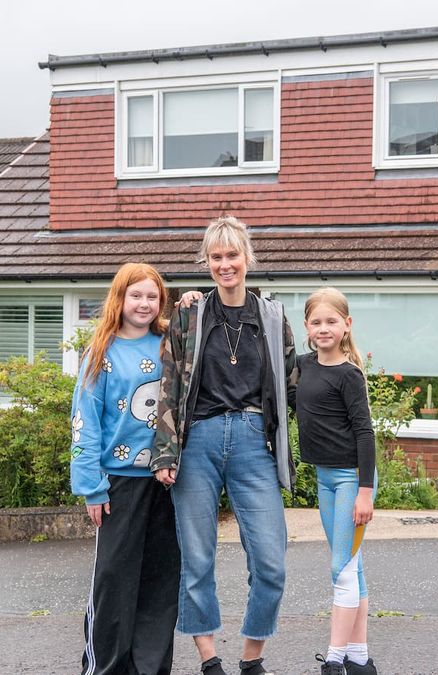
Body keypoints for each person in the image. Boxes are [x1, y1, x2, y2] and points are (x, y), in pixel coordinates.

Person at [151, 215, 296, 675]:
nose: (225, 264)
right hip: (199, 442)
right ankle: (209, 659)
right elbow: (169, 386)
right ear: (207, 261)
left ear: (248, 258)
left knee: (271, 561)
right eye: (216, 257)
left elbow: (293, 384)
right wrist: (165, 452)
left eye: (233, 255)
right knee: (197, 559)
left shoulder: (272, 316)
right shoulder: (190, 315)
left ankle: (252, 658)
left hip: (255, 443)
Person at [71, 262, 180, 675]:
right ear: (120, 299)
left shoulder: (171, 342)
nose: (144, 303)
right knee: (115, 583)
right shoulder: (101, 353)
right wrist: (91, 487)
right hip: (117, 484)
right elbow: (85, 422)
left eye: (152, 296)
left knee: (159, 583)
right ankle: (106, 668)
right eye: (136, 295)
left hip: (165, 482)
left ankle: (150, 669)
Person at [294, 288, 379, 675]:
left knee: (340, 568)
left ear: (347, 325)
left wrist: (364, 492)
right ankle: (360, 660)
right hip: (324, 478)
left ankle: (334, 659)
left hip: (351, 480)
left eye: (332, 321)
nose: (323, 328)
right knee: (352, 567)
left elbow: (365, 432)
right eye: (316, 322)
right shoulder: (303, 366)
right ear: (307, 327)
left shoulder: (349, 376)